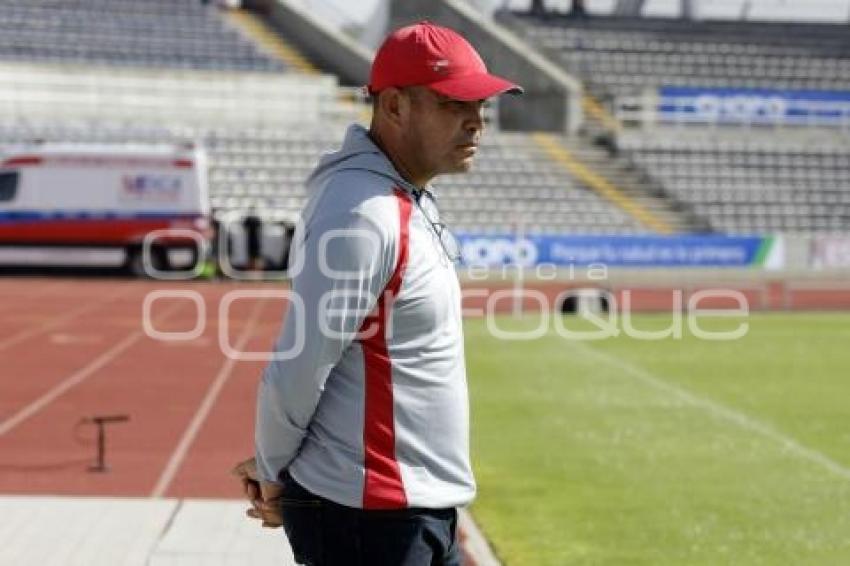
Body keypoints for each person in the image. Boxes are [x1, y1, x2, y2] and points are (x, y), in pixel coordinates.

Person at [232, 21, 522, 566]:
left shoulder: (406, 197)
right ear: (393, 107)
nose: (476, 123)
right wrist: (274, 472)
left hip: (413, 509)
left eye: (482, 106)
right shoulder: (363, 214)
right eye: (454, 104)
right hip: (372, 519)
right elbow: (298, 365)